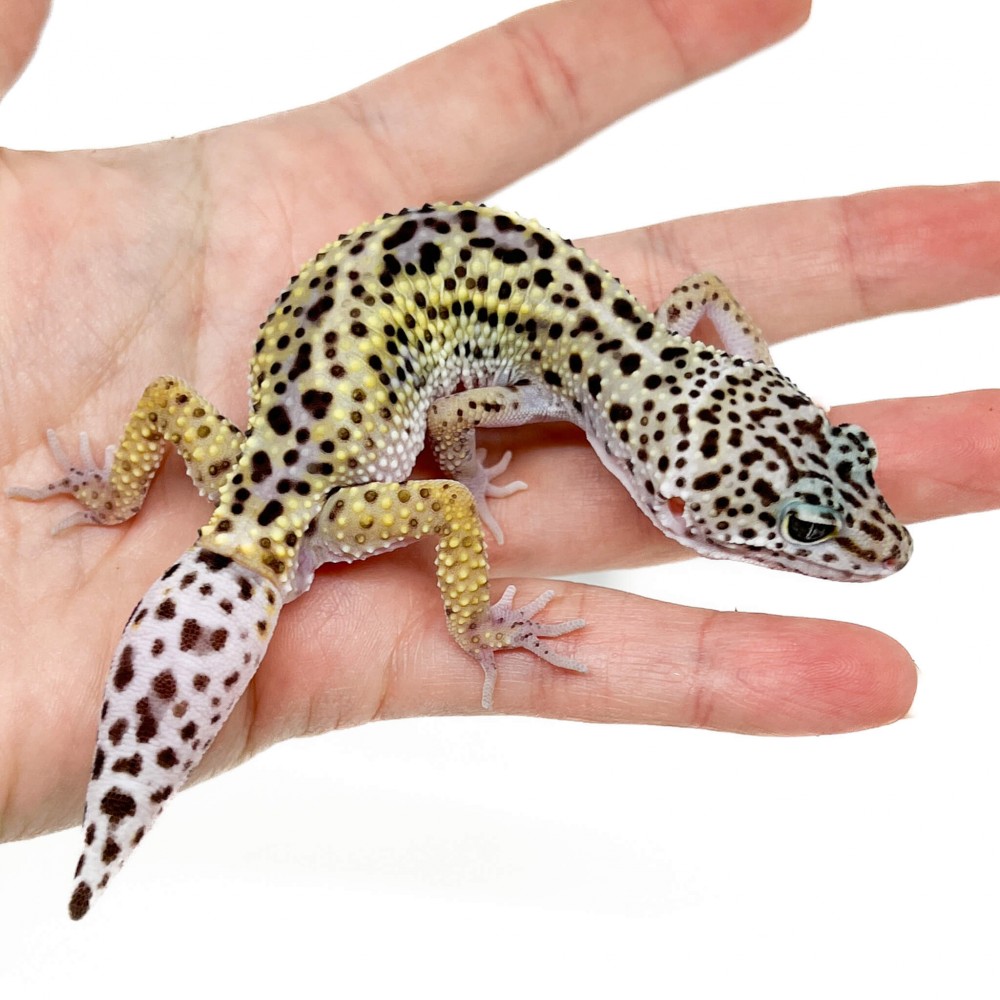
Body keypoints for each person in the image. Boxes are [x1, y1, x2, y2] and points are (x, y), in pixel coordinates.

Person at [0, 0, 996, 844]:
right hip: (326, 446)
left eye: (801, 523)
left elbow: (700, 293)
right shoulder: (505, 414)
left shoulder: (607, 356)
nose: (829, 547)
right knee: (433, 502)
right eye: (795, 531)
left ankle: (109, 503)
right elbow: (453, 454)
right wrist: (471, 557)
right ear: (678, 499)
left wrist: (762, 386)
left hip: (324, 367)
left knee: (199, 418)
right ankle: (123, 809)